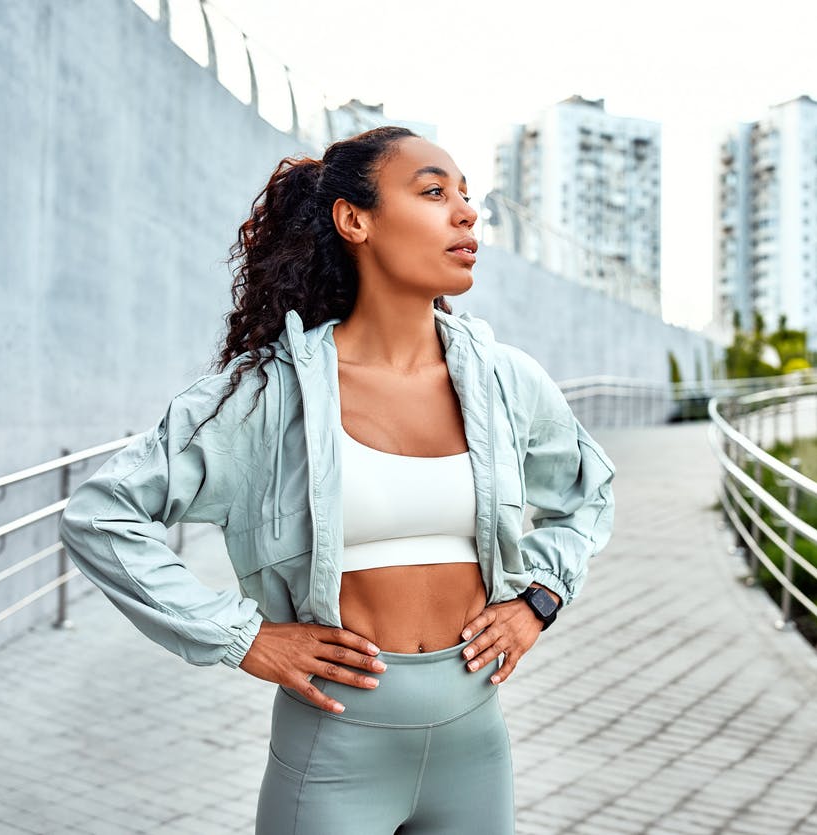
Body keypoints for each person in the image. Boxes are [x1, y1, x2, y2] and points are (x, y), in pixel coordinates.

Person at [58, 126, 616, 834]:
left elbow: (587, 494)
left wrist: (537, 598)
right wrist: (243, 636)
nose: (466, 213)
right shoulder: (263, 394)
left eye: (467, 197)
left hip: (475, 744)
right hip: (334, 751)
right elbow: (100, 516)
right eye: (434, 192)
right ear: (354, 220)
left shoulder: (506, 380)